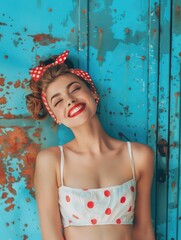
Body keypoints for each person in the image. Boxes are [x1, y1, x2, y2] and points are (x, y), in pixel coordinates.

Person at [26, 50, 155, 240]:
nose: (69, 100)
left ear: (92, 92)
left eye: (75, 89)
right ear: (56, 117)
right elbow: (51, 236)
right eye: (59, 101)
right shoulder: (52, 161)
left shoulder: (139, 156)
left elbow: (144, 230)